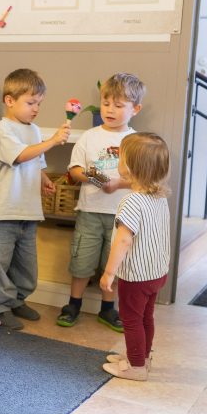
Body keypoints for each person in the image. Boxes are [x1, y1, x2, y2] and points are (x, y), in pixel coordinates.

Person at [0, 68, 70, 330]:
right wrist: (53, 141)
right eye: (30, 102)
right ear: (10, 101)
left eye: (39, 104)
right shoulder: (4, 129)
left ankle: (17, 299)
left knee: (27, 266)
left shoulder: (33, 130)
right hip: (4, 210)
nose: (36, 109)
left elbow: (37, 160)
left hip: (29, 210)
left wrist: (43, 179)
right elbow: (20, 156)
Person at [59, 73, 145, 332]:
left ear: (135, 109)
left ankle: (108, 309)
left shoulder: (136, 142)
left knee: (114, 262)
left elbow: (142, 179)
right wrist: (99, 181)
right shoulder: (89, 136)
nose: (110, 110)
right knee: (82, 260)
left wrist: (117, 184)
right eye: (106, 103)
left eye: (119, 106)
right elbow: (75, 171)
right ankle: (73, 304)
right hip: (89, 212)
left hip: (123, 216)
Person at [100, 133, 170, 381]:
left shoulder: (131, 201)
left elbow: (124, 240)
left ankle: (136, 367)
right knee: (145, 317)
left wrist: (109, 272)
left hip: (137, 276)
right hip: (156, 272)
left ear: (128, 167)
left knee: (131, 319)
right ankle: (140, 357)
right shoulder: (158, 199)